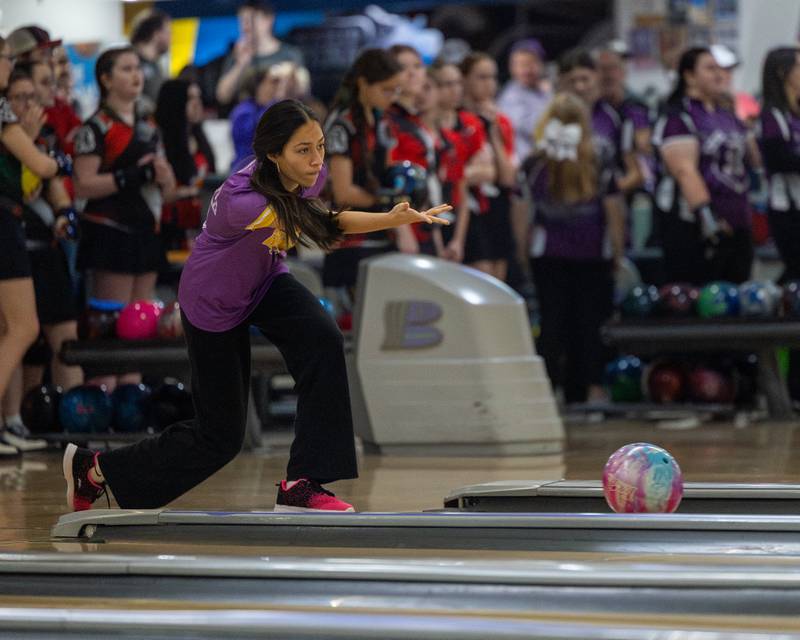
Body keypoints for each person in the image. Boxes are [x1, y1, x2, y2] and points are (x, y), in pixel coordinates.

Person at [62, 98, 451, 513]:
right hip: (213, 301)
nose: (317, 159)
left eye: (320, 146)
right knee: (220, 438)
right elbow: (323, 226)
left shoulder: (303, 175)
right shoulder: (243, 201)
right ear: (272, 154)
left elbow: (318, 211)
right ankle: (96, 472)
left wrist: (391, 217)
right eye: (304, 150)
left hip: (263, 279)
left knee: (322, 337)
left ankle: (303, 483)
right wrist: (390, 219)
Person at [73, 46, 177, 387]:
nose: (136, 75)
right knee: (111, 324)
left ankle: (133, 397)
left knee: (141, 325)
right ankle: (102, 398)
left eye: (138, 68)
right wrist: (128, 177)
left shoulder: (149, 126)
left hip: (145, 228)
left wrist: (163, 177)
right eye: (126, 69)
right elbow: (83, 185)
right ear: (105, 79)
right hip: (110, 232)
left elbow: (169, 189)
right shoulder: (96, 127)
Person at [1, 68, 82, 449]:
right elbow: (44, 166)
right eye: (21, 97)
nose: (28, 105)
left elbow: (48, 182)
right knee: (22, 330)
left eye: (34, 96)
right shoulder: (5, 117)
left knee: (14, 332)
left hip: (20, 229)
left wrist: (64, 210)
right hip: (7, 223)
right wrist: (55, 160)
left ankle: (12, 424)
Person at [527, 93, 625, 404]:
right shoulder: (599, 158)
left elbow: (524, 214)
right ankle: (593, 390)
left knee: (552, 324)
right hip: (592, 253)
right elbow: (613, 211)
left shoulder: (535, 163)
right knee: (591, 325)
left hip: (548, 255)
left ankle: (548, 393)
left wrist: (523, 253)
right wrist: (618, 253)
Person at [652, 47, 757, 285]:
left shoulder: (728, 115)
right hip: (694, 225)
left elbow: (755, 159)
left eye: (723, 69)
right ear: (689, 76)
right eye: (711, 68)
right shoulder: (679, 115)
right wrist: (708, 218)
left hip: (738, 218)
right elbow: (684, 170)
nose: (720, 74)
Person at [323, 49, 404, 292]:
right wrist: (385, 199)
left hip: (381, 232)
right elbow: (343, 191)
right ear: (363, 84)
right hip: (351, 240)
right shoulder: (341, 126)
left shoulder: (382, 121)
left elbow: (387, 171)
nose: (392, 97)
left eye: (396, 90)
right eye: (386, 89)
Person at [461, 51, 517, 281]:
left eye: (493, 77)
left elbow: (507, 177)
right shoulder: (457, 120)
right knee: (481, 278)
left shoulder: (500, 121)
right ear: (465, 80)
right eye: (481, 77)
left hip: (497, 205)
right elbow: (461, 174)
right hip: (470, 207)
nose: (489, 84)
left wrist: (493, 131)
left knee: (499, 282)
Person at [432, 60, 494, 265]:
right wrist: (465, 171)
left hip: (469, 207)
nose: (455, 90)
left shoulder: (471, 123)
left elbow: (488, 172)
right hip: (437, 209)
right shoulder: (426, 126)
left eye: (458, 83)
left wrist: (456, 172)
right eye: (447, 84)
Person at [155, 79, 217, 252]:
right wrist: (191, 191)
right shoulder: (161, 142)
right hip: (170, 231)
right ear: (175, 101)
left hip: (201, 226)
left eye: (199, 97)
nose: (197, 103)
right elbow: (162, 194)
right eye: (190, 98)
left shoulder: (199, 138)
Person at [386, 44, 435, 255]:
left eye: (417, 66)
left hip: (425, 220)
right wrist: (402, 229)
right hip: (405, 224)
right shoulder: (388, 120)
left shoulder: (415, 120)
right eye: (403, 67)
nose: (412, 73)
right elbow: (390, 176)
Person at [758, 46, 800, 282]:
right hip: (787, 206)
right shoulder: (773, 114)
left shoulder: (795, 113)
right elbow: (779, 158)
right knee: (795, 269)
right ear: (784, 73)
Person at [215, 0, 304, 110]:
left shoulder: (290, 54)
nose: (245, 25)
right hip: (248, 122)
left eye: (251, 19)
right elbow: (222, 96)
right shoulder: (237, 56)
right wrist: (240, 64)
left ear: (269, 19)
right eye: (242, 20)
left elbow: (304, 90)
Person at [497, 38, 552, 161]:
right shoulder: (510, 97)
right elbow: (535, 129)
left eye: (531, 64)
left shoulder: (546, 91)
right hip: (525, 165)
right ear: (512, 68)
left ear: (541, 64)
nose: (526, 70)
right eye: (521, 65)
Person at [229, 63, 291, 171]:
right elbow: (260, 136)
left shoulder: (269, 106)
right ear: (259, 85)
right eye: (271, 82)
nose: (275, 87)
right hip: (245, 171)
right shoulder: (243, 112)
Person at [130, 9, 171, 115]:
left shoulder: (156, 65)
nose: (171, 38)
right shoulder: (130, 63)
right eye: (168, 32)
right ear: (156, 34)